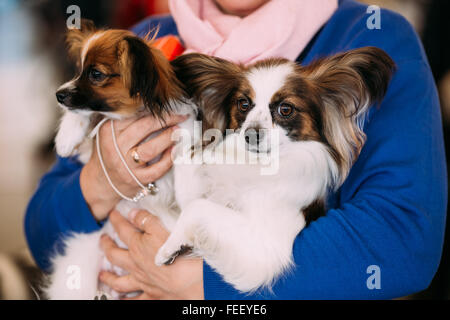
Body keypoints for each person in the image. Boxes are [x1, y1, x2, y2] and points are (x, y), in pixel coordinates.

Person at [25, 0, 447, 299]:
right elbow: (42, 234)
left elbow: (403, 240)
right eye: (243, 106)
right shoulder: (143, 47)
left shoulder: (371, 33)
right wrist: (103, 176)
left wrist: (204, 288)